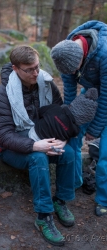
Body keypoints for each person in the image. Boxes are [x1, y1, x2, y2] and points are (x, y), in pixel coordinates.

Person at [0, 45, 76, 246]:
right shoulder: (3, 94)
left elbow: (59, 115)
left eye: (37, 67)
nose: (36, 73)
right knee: (38, 158)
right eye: (29, 70)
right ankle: (44, 216)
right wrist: (34, 146)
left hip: (43, 137)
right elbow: (3, 136)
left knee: (68, 152)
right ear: (15, 69)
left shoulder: (46, 83)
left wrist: (62, 137)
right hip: (13, 148)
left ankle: (60, 201)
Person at [50, 20, 107, 216]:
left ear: (83, 57)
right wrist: (69, 121)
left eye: (75, 70)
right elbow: (70, 92)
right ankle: (74, 182)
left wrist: (94, 130)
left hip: (105, 94)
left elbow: (106, 96)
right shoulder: (65, 53)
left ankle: (103, 200)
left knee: (105, 154)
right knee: (72, 137)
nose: (73, 74)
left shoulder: (104, 53)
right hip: (90, 91)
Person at [0, 88, 98, 159]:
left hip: (33, 135)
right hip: (51, 147)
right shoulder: (75, 131)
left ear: (73, 105)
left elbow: (41, 111)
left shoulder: (56, 109)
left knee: (14, 135)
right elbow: (67, 137)